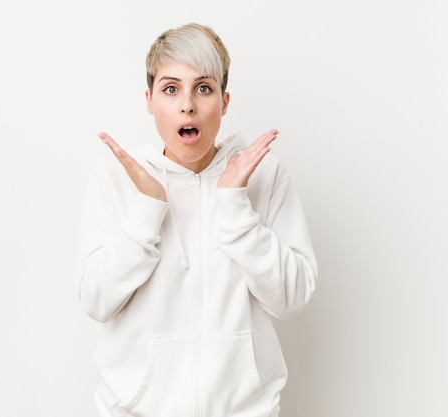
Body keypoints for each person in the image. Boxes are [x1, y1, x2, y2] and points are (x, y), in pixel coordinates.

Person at [74, 22, 317, 417]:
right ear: (150, 100)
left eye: (203, 88)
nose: (187, 104)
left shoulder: (264, 174)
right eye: (171, 89)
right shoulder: (117, 177)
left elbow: (291, 298)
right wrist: (149, 209)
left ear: (224, 101)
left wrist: (235, 204)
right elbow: (94, 299)